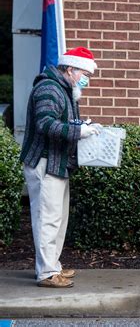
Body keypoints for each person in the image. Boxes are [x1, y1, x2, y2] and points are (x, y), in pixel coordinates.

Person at [20, 47, 100, 288]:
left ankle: (52, 266)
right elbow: (45, 123)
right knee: (47, 219)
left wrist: (81, 125)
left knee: (57, 218)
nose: (86, 78)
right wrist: (79, 131)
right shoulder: (49, 88)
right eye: (84, 73)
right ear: (70, 69)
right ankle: (46, 273)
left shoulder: (65, 89)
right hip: (45, 162)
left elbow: (61, 122)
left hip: (57, 163)